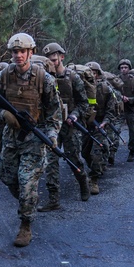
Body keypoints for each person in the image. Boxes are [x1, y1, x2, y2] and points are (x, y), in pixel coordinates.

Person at [0, 33, 62, 247]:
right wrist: (4, 115)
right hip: (11, 138)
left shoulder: (43, 79)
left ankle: (25, 224)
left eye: (22, 51)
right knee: (7, 176)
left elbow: (54, 113)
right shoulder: (3, 77)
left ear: (31, 52)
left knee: (27, 181)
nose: (18, 55)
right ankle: (26, 200)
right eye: (15, 51)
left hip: (35, 139)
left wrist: (51, 135)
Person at [39, 42, 90, 211]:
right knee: (51, 162)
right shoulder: (44, 78)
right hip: (52, 126)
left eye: (54, 59)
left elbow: (84, 103)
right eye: (48, 60)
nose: (51, 63)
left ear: (61, 57)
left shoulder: (73, 78)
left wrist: (74, 115)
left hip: (70, 126)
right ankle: (54, 199)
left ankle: (83, 181)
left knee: (73, 158)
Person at [83, 61, 119, 195]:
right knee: (84, 153)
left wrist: (105, 122)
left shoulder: (105, 88)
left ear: (97, 74)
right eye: (88, 73)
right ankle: (96, 167)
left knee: (96, 153)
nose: (90, 75)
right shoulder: (82, 88)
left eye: (93, 72)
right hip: (86, 125)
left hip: (100, 124)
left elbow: (112, 110)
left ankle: (94, 179)